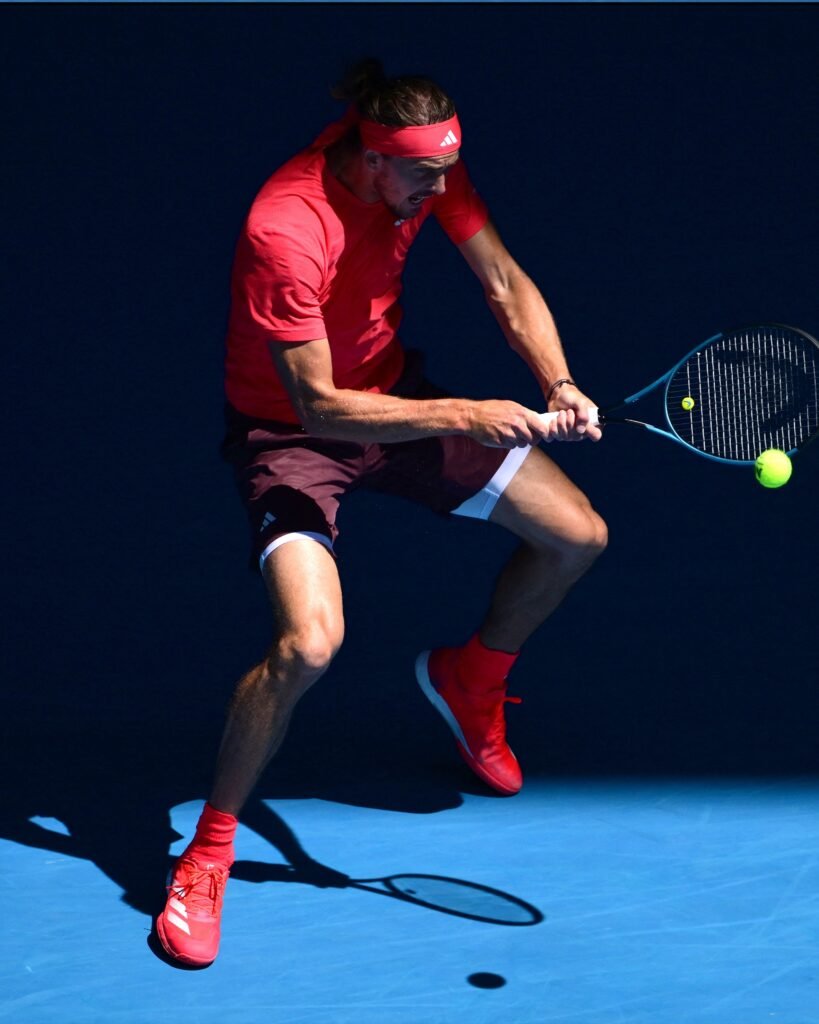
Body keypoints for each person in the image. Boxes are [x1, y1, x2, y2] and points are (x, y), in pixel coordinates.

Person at [155, 59, 607, 968]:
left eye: (449, 170)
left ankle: (470, 679)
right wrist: (464, 412)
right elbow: (317, 407)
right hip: (290, 435)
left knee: (575, 536)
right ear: (369, 161)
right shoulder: (285, 227)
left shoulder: (425, 174)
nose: (442, 191)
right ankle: (206, 851)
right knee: (307, 647)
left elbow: (505, 283)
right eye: (424, 177)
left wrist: (556, 382)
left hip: (394, 400)